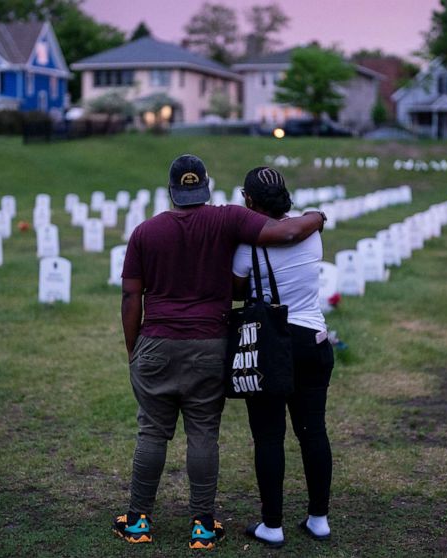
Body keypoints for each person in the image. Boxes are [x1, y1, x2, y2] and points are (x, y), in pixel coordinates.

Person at [115, 155, 327, 550]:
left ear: (172, 191)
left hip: (157, 342)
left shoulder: (145, 231)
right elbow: (285, 233)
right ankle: (202, 524)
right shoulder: (229, 219)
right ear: (206, 188)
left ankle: (139, 518)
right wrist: (318, 216)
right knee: (203, 434)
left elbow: (131, 295)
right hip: (211, 345)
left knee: (152, 433)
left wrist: (135, 349)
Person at [232, 167, 335, 548]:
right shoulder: (311, 233)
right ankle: (319, 518)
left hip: (271, 344)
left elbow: (236, 289)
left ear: (250, 200)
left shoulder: (248, 245)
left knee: (269, 437)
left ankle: (272, 525)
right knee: (313, 431)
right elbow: (308, 223)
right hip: (312, 338)